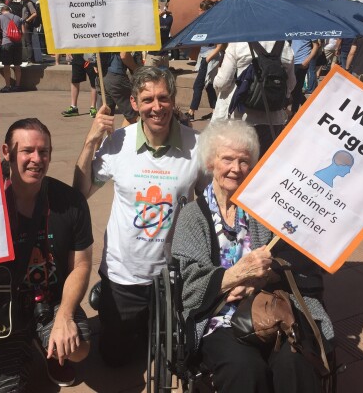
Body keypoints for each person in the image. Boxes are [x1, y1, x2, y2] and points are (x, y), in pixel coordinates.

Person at [171, 120, 333, 392]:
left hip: (272, 309)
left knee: (295, 362)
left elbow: (298, 264)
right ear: (210, 162)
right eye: (227, 159)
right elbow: (188, 289)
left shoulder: (268, 211)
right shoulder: (192, 216)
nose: (236, 168)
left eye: (244, 161)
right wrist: (234, 277)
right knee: (244, 368)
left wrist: (266, 277)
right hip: (219, 319)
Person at [0, 118, 93, 390]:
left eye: (43, 151)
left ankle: (50, 348)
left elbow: (80, 265)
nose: (37, 159)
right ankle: (19, 350)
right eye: (27, 151)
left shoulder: (70, 201)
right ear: (6, 153)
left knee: (78, 348)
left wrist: (66, 315)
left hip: (50, 301)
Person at [74, 66, 204, 367]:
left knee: (172, 358)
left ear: (172, 99)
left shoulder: (197, 145)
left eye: (163, 98)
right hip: (124, 274)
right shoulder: (118, 142)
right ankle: (106, 298)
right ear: (134, 103)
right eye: (147, 100)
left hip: (174, 275)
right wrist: (91, 141)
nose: (156, 107)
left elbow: (212, 202)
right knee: (115, 359)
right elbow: (79, 193)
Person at [213, 40, 295, 156]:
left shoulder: (238, 43)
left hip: (241, 120)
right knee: (264, 166)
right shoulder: (285, 46)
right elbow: (291, 84)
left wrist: (217, 77)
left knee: (240, 165)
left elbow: (222, 82)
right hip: (273, 121)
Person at [186, 0, 224, 121]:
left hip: (208, 58)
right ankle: (215, 111)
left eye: (200, 10)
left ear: (206, 11)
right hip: (204, 57)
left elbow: (219, 45)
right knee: (209, 86)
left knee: (198, 85)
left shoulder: (214, 25)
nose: (198, 12)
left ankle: (191, 112)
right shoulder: (206, 24)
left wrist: (208, 59)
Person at [100, 51, 139, 126]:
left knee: (105, 117)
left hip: (101, 75)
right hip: (116, 75)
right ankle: (122, 137)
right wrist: (136, 69)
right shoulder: (120, 39)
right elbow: (124, 55)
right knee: (132, 113)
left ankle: (100, 137)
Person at [0, 5, 23, 93]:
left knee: (6, 66)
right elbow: (24, 32)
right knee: (17, 66)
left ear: (2, 11)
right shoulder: (18, 18)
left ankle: (7, 86)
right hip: (17, 43)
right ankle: (17, 86)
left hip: (6, 42)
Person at [61, 53, 98, 118]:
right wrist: (67, 50)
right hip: (77, 52)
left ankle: (93, 107)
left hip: (90, 54)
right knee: (75, 80)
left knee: (94, 81)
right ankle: (73, 107)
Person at [290, 40, 319, 113]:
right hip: (290, 60)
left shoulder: (308, 29)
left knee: (296, 89)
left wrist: (307, 60)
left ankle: (294, 113)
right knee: (291, 88)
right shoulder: (292, 28)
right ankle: (307, 105)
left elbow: (316, 45)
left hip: (301, 62)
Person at [16, 0, 37, 65]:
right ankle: (30, 59)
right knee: (27, 42)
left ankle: (30, 59)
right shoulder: (26, 3)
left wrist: (27, 20)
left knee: (28, 42)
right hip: (25, 24)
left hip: (27, 25)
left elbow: (34, 13)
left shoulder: (28, 3)